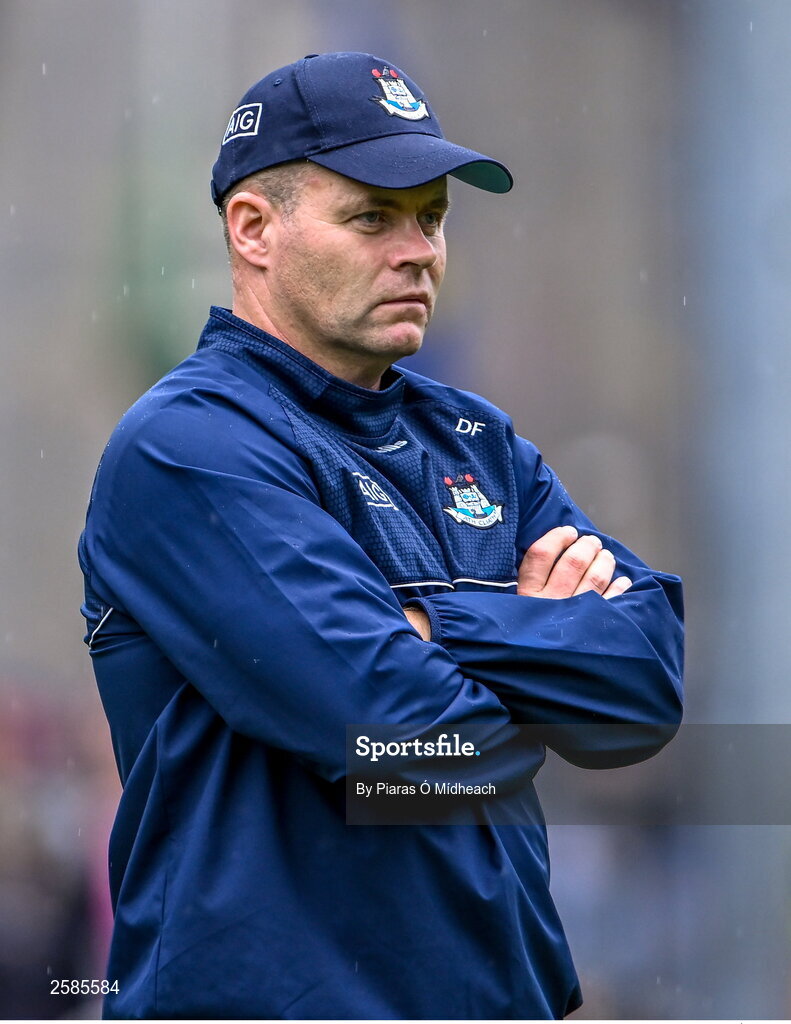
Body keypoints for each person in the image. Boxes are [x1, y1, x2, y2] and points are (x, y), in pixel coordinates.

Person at [79, 51, 683, 1019]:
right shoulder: (183, 446)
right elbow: (410, 738)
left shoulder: (479, 440)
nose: (418, 250)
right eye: (372, 217)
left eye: (432, 217)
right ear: (252, 229)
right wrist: (531, 645)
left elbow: (643, 688)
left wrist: (435, 630)